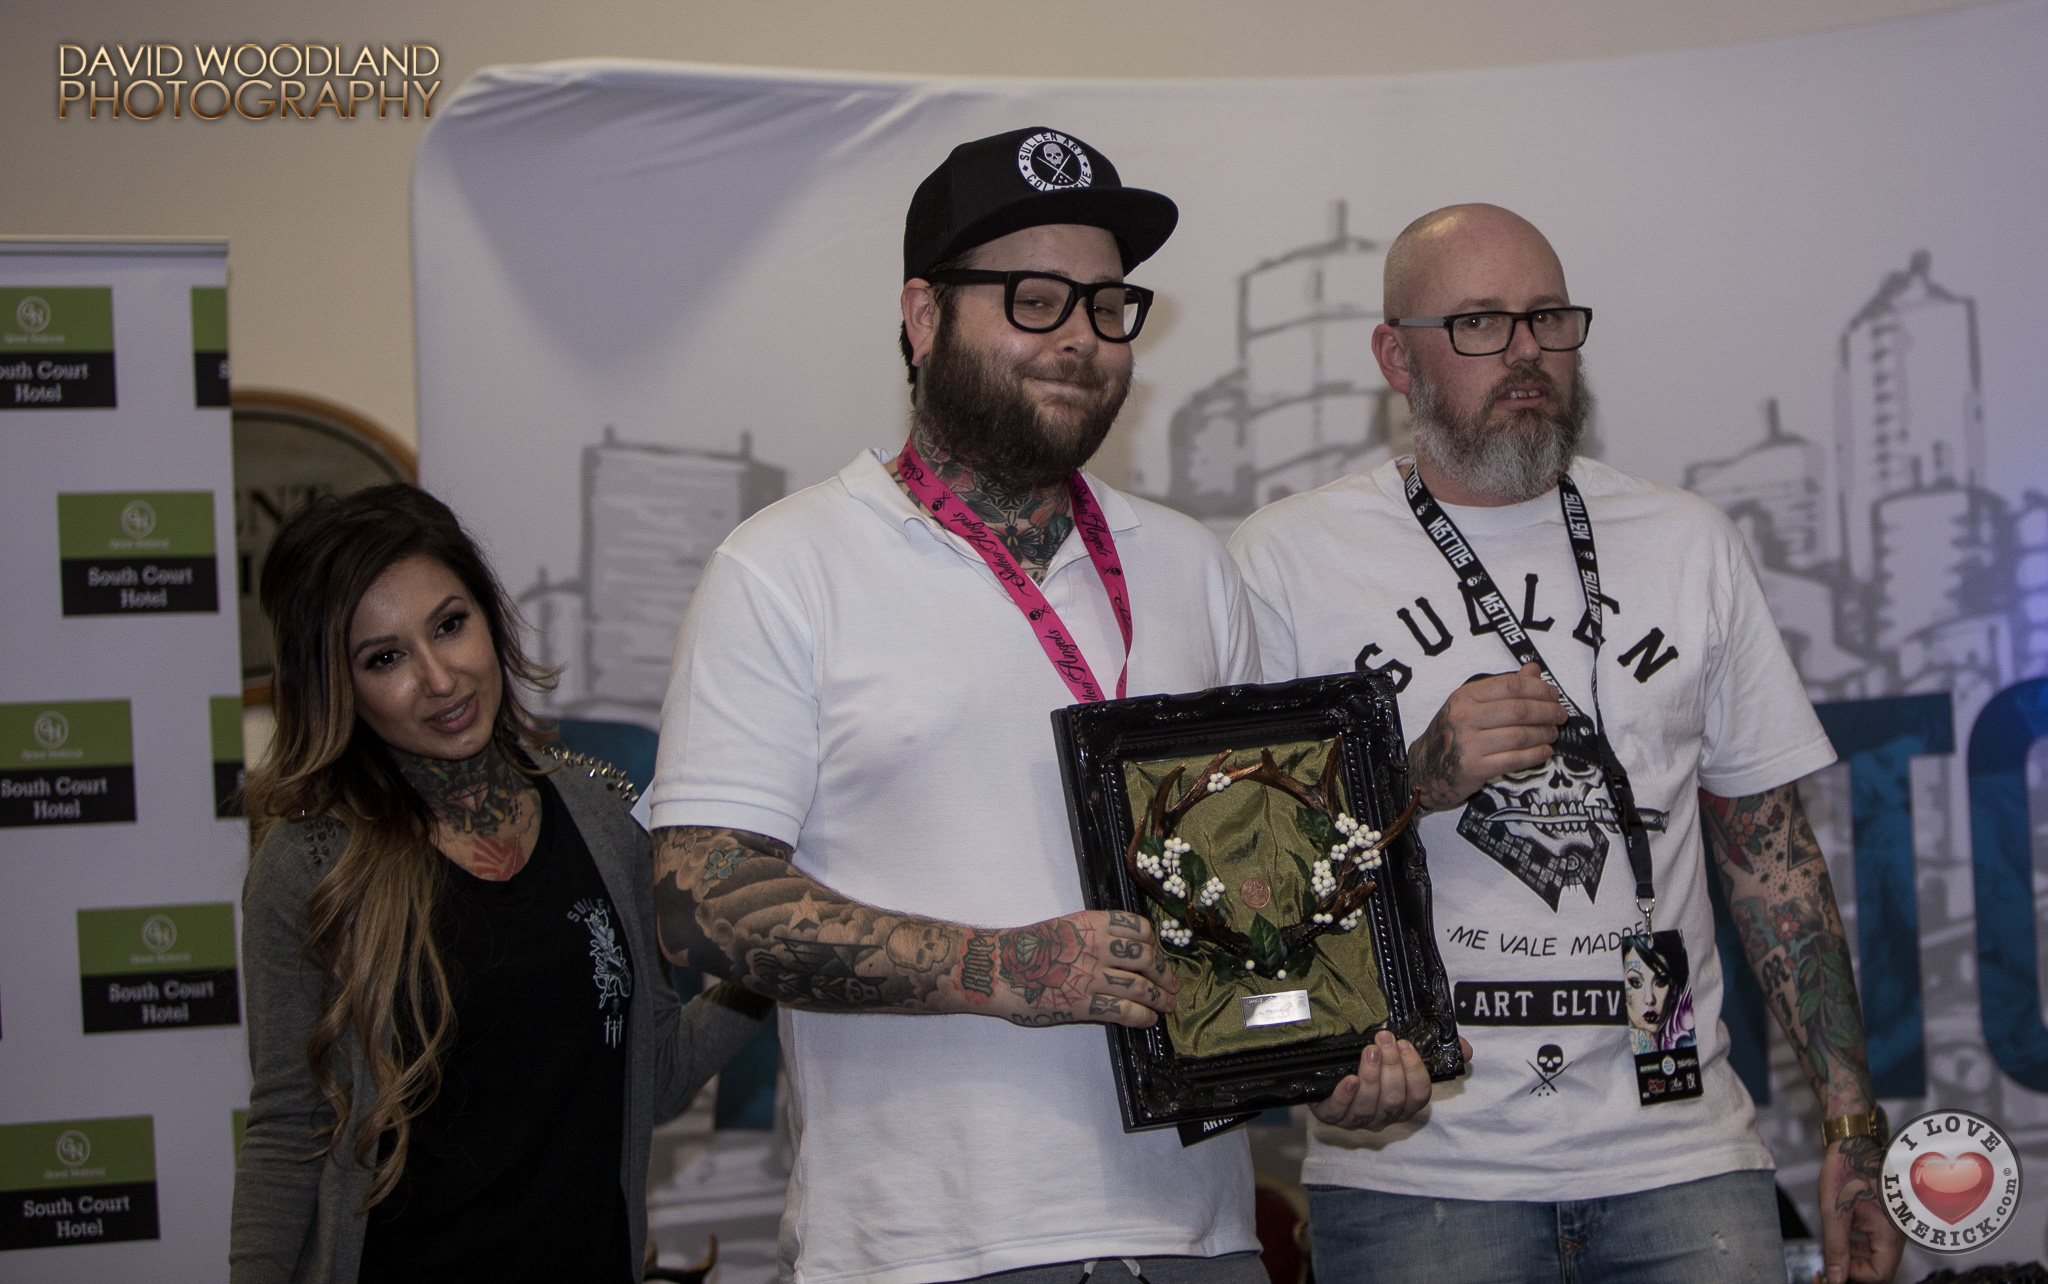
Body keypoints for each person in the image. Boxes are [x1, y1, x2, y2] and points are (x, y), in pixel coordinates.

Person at [646, 127, 1443, 1284]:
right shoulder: (786, 566)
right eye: (1033, 300)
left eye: (1107, 305)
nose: (1079, 337)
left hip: (1196, 1236)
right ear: (922, 316)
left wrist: (1329, 1056)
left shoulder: (1189, 566)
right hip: (921, 1248)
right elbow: (699, 901)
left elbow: (1263, 873)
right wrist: (1007, 968)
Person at [1229, 204, 1903, 1284]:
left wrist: (1851, 1125)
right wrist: (1416, 779)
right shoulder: (1285, 562)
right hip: (1418, 1172)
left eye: (1547, 317)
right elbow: (1240, 873)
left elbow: (1771, 860)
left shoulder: (1686, 543)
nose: (1525, 351)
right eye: (1480, 323)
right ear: (1395, 357)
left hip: (1682, 1160)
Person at [230, 484, 766, 1284]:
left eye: (450, 625)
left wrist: (775, 953)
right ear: (338, 685)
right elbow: (288, 1129)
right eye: (385, 658)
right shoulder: (311, 861)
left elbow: (653, 1078)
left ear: (489, 616)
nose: (439, 678)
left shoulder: (599, 817)